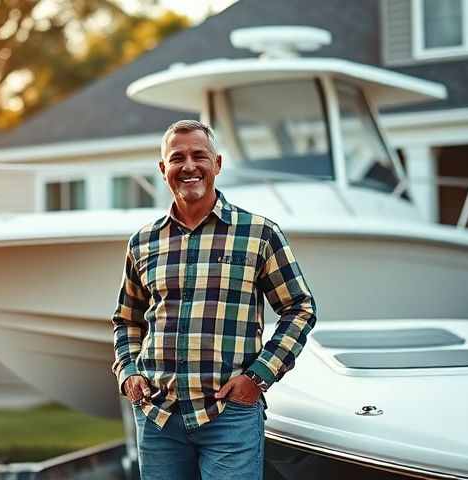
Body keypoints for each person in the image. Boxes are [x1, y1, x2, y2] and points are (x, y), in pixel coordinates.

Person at [111, 119, 317, 479]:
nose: (189, 166)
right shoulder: (142, 243)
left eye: (199, 156)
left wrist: (259, 376)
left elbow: (299, 308)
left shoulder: (259, 234)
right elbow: (127, 320)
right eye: (177, 158)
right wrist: (128, 373)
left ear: (217, 164)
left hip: (228, 417)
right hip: (159, 418)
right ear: (163, 170)